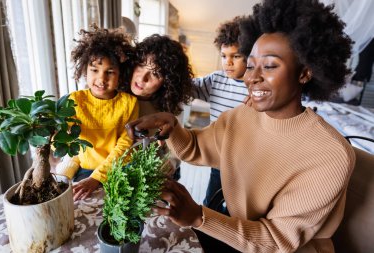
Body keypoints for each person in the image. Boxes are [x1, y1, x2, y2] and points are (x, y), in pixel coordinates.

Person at [125, 0, 355, 252]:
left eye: (268, 66)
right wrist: (170, 123)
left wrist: (199, 217)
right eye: (251, 64)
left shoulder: (330, 154)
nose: (251, 78)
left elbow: (276, 240)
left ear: (305, 73)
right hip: (235, 233)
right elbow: (194, 148)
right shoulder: (241, 117)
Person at [56, 26, 138, 201]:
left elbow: (124, 146)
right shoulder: (74, 100)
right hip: (83, 169)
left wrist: (97, 177)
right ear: (84, 70)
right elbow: (63, 143)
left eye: (110, 72)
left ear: (121, 74)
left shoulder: (129, 103)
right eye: (94, 70)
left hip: (117, 169)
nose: (101, 79)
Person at [192, 16, 248, 208]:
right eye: (224, 56)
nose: (228, 62)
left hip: (246, 163)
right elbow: (187, 88)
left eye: (236, 56)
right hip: (219, 159)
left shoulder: (256, 87)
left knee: (239, 208)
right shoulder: (214, 80)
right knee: (211, 203)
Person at [121, 34, 194, 179]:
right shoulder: (114, 95)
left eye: (155, 73)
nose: (142, 78)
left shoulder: (171, 107)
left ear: (167, 82)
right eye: (141, 65)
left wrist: (168, 165)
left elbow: (175, 153)